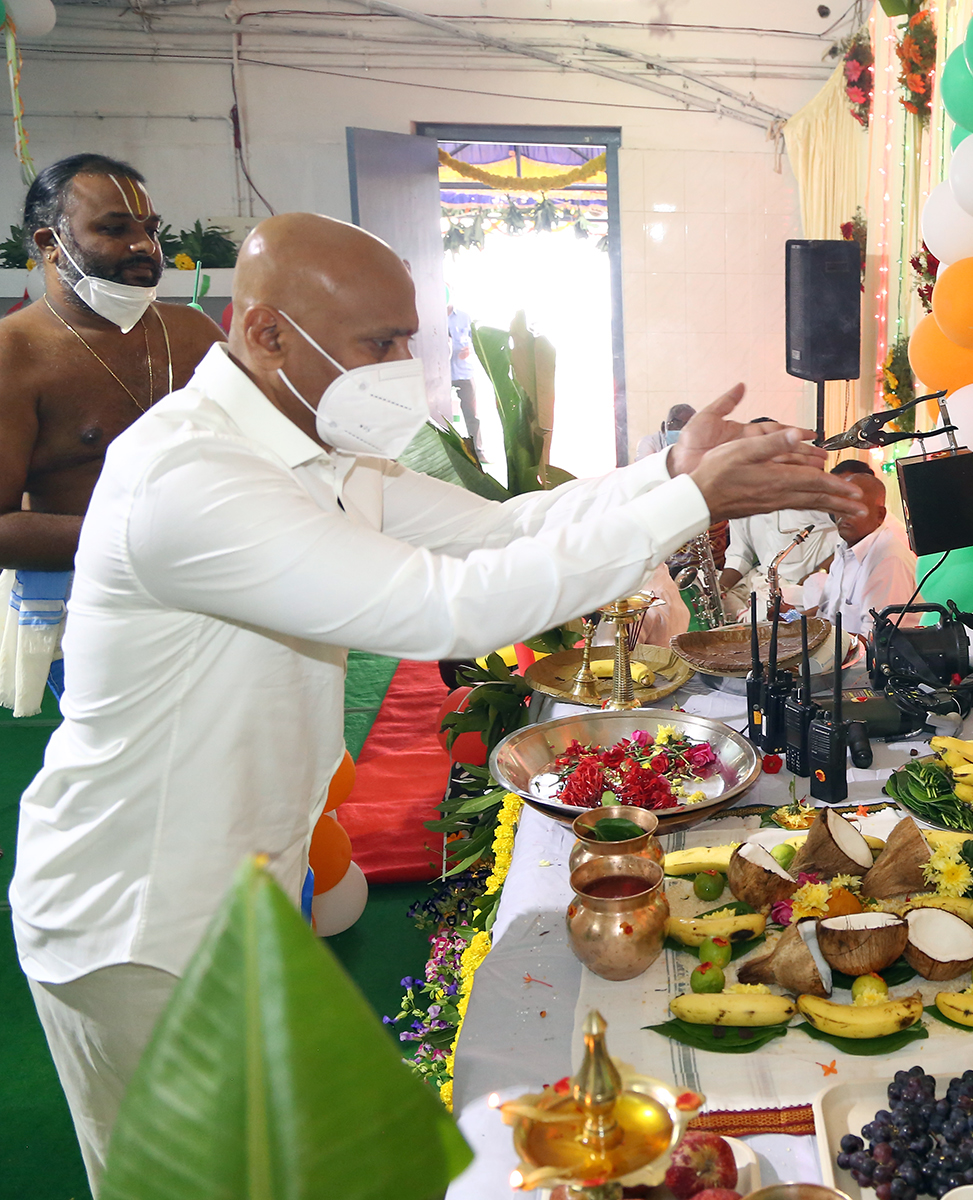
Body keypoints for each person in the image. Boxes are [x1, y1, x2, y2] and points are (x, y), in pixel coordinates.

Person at [8, 211, 866, 1191]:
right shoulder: (191, 478)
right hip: (135, 918)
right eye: (379, 344)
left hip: (234, 892)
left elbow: (501, 529)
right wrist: (690, 505)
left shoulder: (317, 449)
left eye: (410, 338)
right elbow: (447, 608)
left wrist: (670, 473)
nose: (402, 369)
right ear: (267, 333)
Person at [0, 153, 224, 714]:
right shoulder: (12, 355)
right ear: (51, 242)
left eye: (149, 229)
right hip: (95, 616)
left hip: (219, 593)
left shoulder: (193, 331)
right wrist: (144, 542)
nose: (146, 246)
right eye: (114, 228)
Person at [718, 416, 839, 616]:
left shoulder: (809, 489)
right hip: (766, 588)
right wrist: (720, 589)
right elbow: (740, 554)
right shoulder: (740, 499)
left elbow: (851, 536)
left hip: (809, 593)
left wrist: (816, 575)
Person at [814, 459, 917, 640]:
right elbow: (825, 614)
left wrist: (815, 641)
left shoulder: (888, 560)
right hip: (838, 658)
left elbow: (875, 642)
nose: (843, 515)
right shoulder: (845, 549)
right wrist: (790, 620)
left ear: (880, 515)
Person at [447, 299, 480, 458]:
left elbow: (476, 342)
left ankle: (478, 452)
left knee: (472, 414)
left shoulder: (464, 317)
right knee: (442, 416)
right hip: (441, 375)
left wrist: (470, 350)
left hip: (464, 372)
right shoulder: (431, 318)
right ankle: (449, 454)